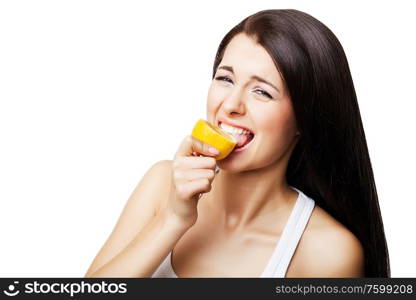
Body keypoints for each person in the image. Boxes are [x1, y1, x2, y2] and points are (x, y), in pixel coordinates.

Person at [84, 9, 390, 278]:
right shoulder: (162, 184)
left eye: (262, 92)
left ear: (304, 120)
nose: (230, 104)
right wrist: (172, 219)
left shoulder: (327, 251)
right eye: (225, 79)